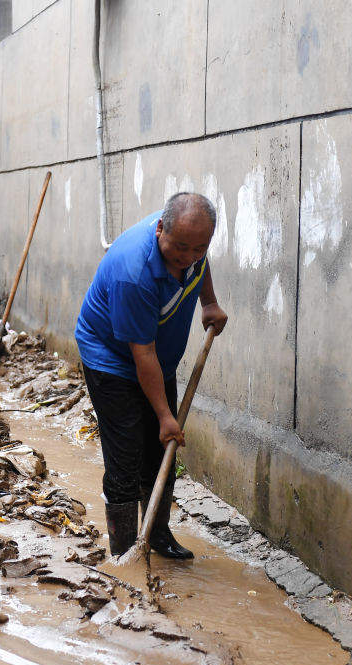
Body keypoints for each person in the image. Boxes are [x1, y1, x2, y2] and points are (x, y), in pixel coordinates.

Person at [75, 192, 229, 559]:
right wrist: (164, 416)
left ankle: (157, 537)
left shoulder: (190, 242)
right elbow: (140, 354)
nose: (187, 258)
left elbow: (199, 264)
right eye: (179, 248)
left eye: (198, 249)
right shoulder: (135, 272)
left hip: (156, 359)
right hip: (111, 359)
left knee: (161, 450)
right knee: (126, 456)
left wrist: (209, 302)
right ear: (161, 229)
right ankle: (126, 552)